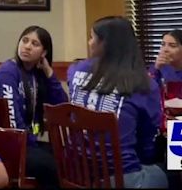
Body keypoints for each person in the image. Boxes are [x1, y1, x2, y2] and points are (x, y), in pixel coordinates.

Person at [67, 16, 168, 188]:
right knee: (172, 166)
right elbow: (148, 141)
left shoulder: (75, 71)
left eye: (92, 37)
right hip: (120, 176)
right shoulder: (143, 83)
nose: (89, 42)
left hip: (76, 170)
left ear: (105, 43)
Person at [0, 25, 67, 188]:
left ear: (44, 53)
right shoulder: (8, 73)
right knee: (51, 166)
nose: (27, 46)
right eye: (25, 41)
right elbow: (13, 123)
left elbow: (61, 106)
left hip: (28, 141)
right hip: (10, 145)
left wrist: (48, 71)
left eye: (35, 44)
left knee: (69, 157)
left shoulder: (36, 73)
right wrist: (33, 142)